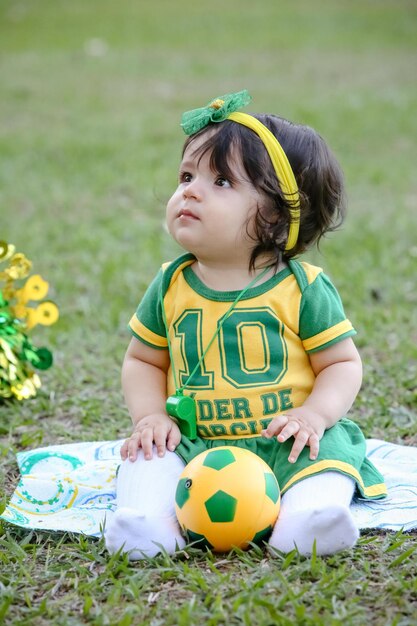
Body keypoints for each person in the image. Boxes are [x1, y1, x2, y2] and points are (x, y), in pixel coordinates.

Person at [104, 90, 386, 559]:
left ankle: (309, 519)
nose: (189, 190)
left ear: (277, 215)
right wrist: (150, 417)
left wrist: (314, 416)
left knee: (327, 458)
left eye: (221, 182)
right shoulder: (171, 284)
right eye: (186, 176)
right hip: (194, 442)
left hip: (285, 438)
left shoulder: (303, 288)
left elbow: (341, 363)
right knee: (147, 458)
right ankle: (146, 525)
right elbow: (142, 359)